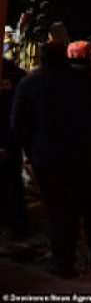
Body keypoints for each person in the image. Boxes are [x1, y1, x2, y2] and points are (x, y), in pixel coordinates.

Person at [11, 40, 91, 278]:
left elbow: (19, 125)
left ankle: (64, 263)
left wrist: (31, 152)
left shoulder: (29, 84)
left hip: (50, 158)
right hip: (88, 156)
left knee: (60, 212)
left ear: (41, 58)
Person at [0, 56, 29, 239]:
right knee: (13, 181)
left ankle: (14, 225)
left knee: (9, 181)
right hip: (12, 137)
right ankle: (18, 225)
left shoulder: (16, 76)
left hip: (8, 137)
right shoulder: (18, 75)